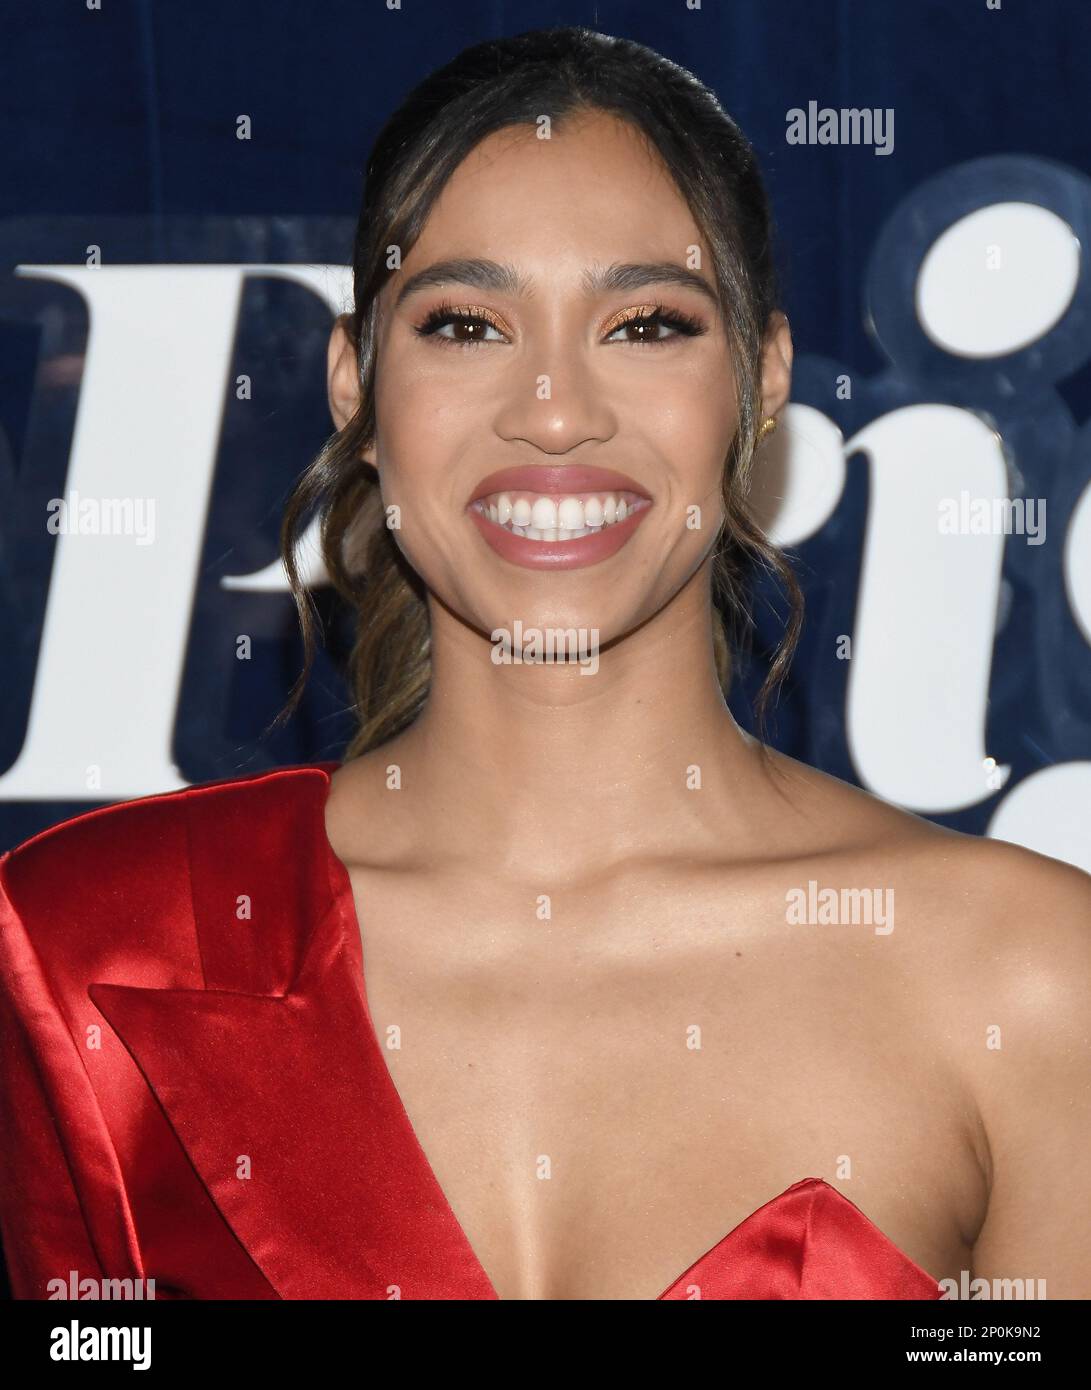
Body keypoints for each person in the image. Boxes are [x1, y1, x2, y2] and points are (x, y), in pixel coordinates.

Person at [1, 26, 1088, 1302]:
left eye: (644, 322)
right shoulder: (94, 949)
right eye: (465, 323)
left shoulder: (1027, 978)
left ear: (760, 381)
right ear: (355, 383)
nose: (556, 409)